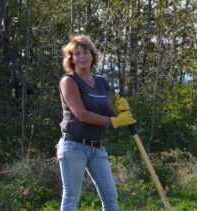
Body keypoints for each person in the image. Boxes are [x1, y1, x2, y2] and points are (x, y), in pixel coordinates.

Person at [57, 35, 135, 211]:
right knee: (71, 197)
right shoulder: (68, 81)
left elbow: (110, 111)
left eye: (86, 52)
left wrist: (122, 111)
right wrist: (114, 121)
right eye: (77, 54)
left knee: (110, 196)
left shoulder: (101, 82)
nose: (82, 57)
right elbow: (81, 114)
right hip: (74, 146)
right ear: (71, 58)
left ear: (93, 56)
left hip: (98, 148)